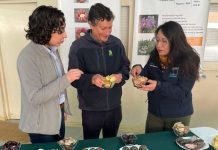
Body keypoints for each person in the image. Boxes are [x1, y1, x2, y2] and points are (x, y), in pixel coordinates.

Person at [17, 5, 83, 143]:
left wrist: (63, 107)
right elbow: (35, 97)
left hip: (57, 115)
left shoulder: (53, 50)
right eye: (60, 31)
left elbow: (56, 83)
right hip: (40, 125)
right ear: (44, 30)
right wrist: (67, 79)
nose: (65, 35)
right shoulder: (27, 57)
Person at [68, 3, 130, 139]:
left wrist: (121, 76)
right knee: (91, 145)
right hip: (91, 110)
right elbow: (73, 79)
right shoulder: (78, 47)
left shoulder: (116, 43)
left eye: (110, 27)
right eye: (103, 28)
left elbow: (126, 68)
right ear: (91, 24)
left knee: (111, 142)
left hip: (114, 107)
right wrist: (91, 79)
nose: (108, 32)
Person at [131, 21, 200, 133]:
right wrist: (138, 69)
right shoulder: (155, 55)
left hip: (178, 114)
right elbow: (146, 74)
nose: (158, 45)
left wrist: (158, 86)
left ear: (175, 42)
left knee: (174, 144)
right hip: (155, 113)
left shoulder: (189, 59)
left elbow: (182, 92)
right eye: (157, 40)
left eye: (164, 41)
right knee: (152, 144)